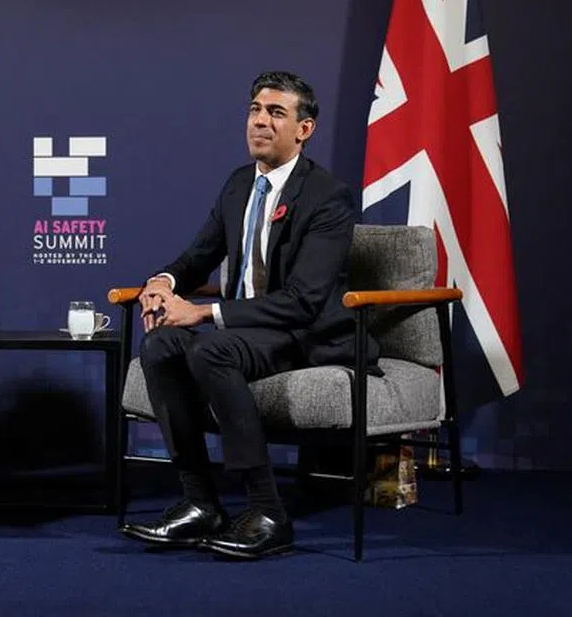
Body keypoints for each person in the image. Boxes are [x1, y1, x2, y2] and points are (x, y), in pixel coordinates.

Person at [119, 71, 379, 560]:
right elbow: (197, 257)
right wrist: (162, 283)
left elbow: (304, 301)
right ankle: (200, 503)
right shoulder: (240, 184)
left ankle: (268, 512)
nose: (260, 121)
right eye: (255, 110)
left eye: (276, 113)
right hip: (246, 330)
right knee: (158, 345)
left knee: (210, 347)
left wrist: (204, 313)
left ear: (304, 129)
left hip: (301, 333)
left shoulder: (328, 197)